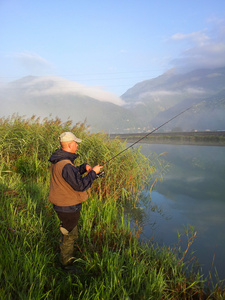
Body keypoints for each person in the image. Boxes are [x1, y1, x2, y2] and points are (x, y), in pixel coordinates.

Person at [48, 132, 103, 268]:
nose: (77, 145)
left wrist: (83, 168)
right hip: (67, 207)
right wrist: (93, 173)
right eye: (76, 143)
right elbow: (80, 186)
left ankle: (64, 252)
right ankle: (66, 264)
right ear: (70, 145)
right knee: (70, 235)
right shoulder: (65, 164)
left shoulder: (60, 160)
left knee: (68, 231)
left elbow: (70, 176)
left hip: (63, 205)